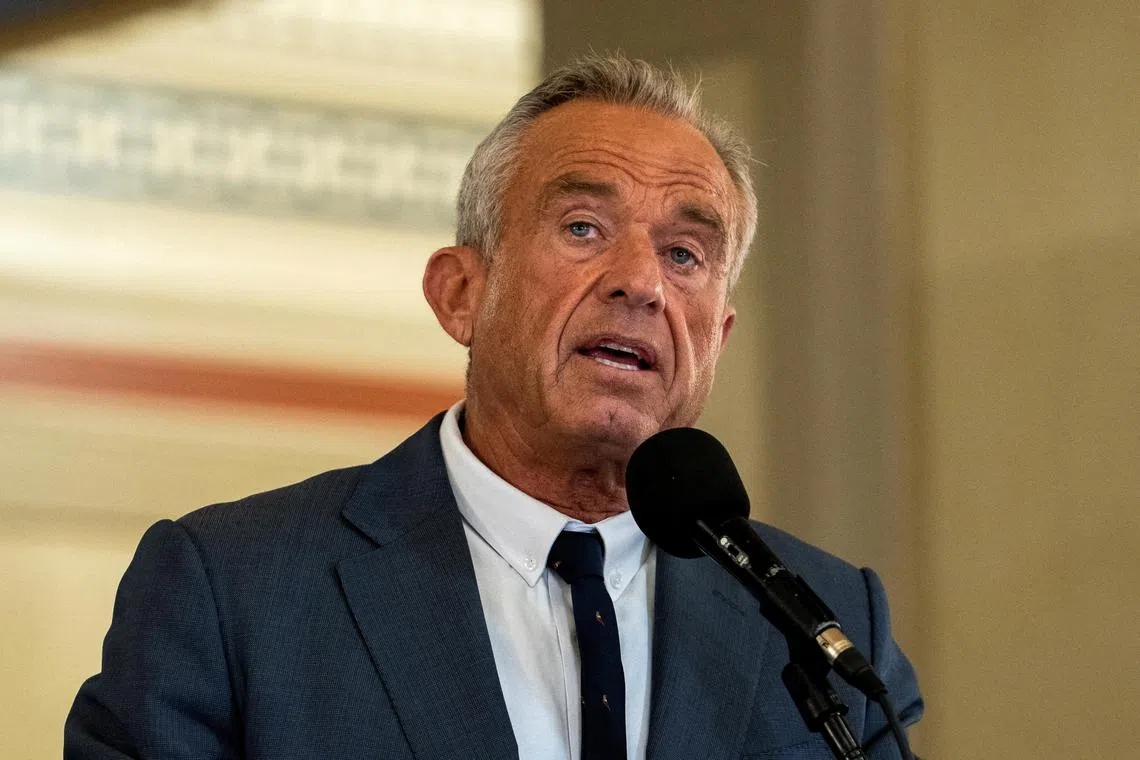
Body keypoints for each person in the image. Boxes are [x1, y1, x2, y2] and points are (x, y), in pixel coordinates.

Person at [65, 54, 923, 759]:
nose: (641, 282)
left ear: (719, 337)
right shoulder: (232, 594)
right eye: (583, 227)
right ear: (460, 294)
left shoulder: (829, 622)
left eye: (686, 252)